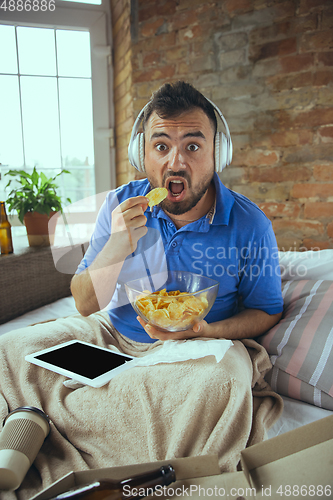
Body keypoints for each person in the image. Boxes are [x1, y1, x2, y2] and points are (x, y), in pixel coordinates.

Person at [70, 80, 283, 343]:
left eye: (192, 146)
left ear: (218, 154)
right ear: (141, 155)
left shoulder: (251, 225)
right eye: (161, 147)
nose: (176, 163)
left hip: (202, 346)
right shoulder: (119, 204)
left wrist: (206, 331)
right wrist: (116, 246)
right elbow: (84, 304)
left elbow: (266, 311)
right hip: (116, 338)